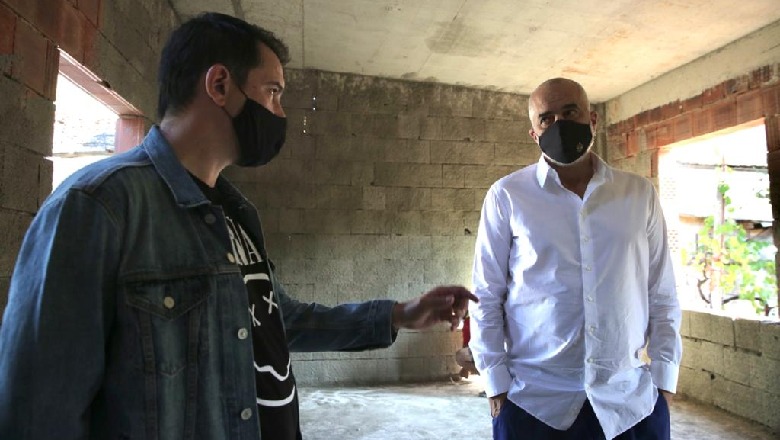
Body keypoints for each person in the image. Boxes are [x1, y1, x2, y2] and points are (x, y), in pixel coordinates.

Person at [0, 12, 476, 440]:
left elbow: (278, 321)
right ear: (220, 85)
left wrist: (399, 314)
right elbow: (39, 410)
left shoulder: (233, 212)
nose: (280, 114)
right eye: (273, 92)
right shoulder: (97, 205)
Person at [469, 78, 682, 440]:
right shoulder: (507, 196)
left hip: (629, 402)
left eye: (570, 112)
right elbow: (486, 295)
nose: (560, 125)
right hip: (533, 401)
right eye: (547, 119)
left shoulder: (638, 194)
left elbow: (661, 291)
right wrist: (495, 382)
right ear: (534, 134)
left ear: (592, 120)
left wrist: (664, 378)